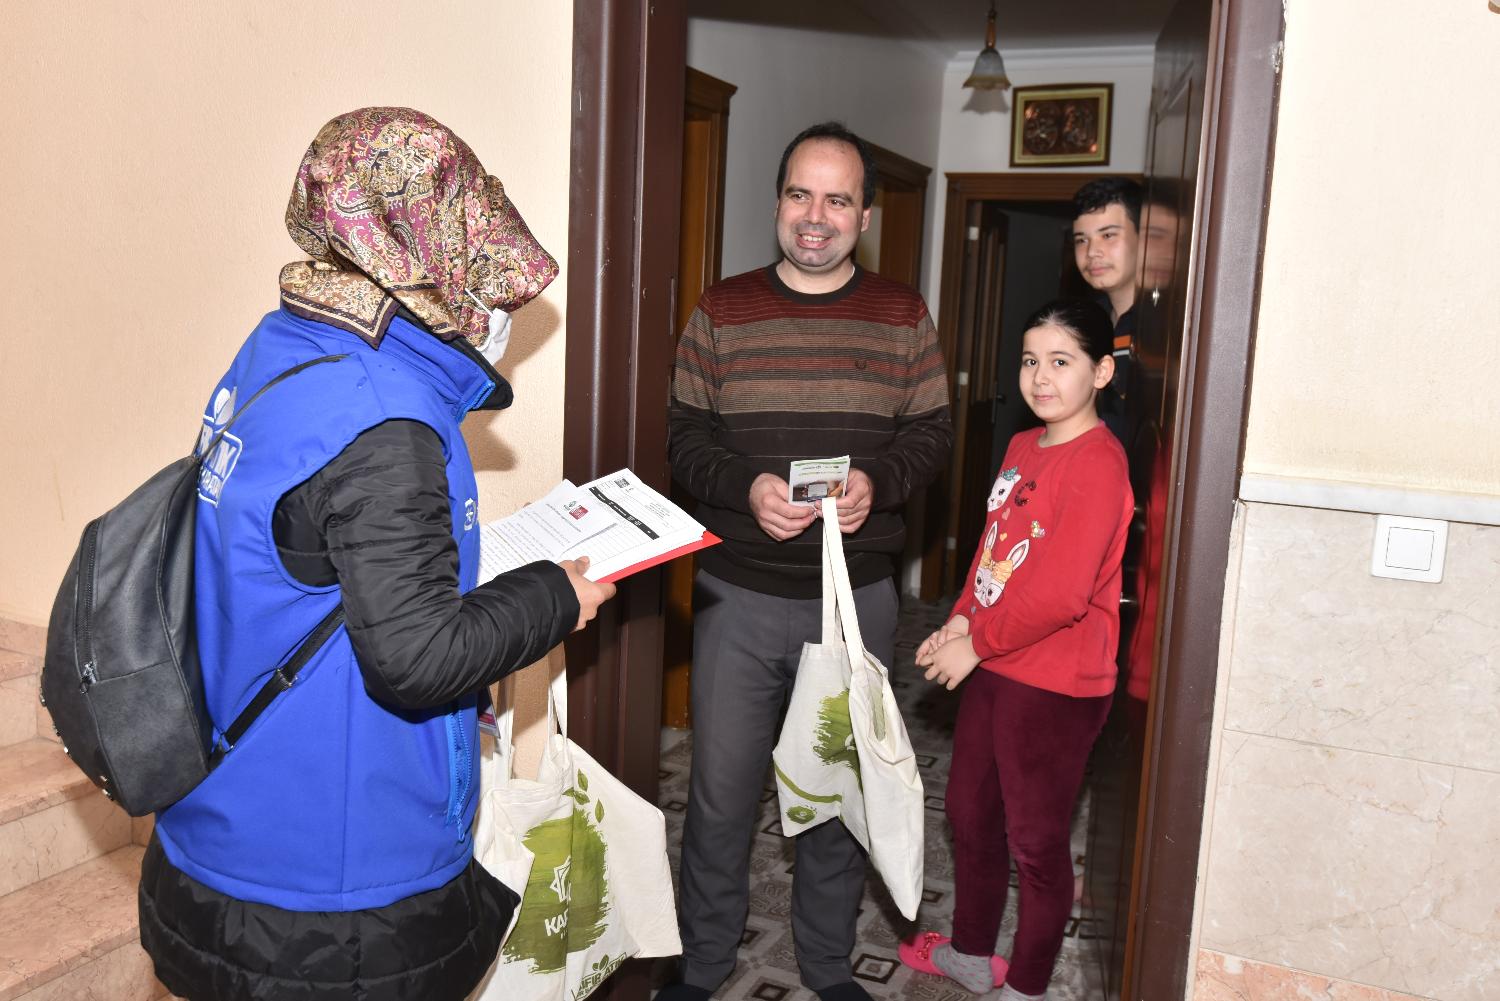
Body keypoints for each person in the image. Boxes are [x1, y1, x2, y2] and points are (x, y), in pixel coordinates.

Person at [136, 107, 616, 1001]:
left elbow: (304, 562)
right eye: (476, 269)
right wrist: (557, 594)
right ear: (422, 250)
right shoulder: (385, 417)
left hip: (224, 823)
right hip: (331, 890)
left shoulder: (281, 345)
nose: (492, 307)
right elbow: (416, 657)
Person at [663, 121, 952, 1001]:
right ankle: (704, 961)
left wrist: (879, 482)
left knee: (836, 795)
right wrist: (743, 485)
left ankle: (826, 966)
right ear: (778, 203)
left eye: (836, 199)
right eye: (799, 194)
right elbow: (685, 435)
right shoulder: (721, 309)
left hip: (854, 600)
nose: (815, 215)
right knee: (720, 795)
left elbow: (932, 432)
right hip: (737, 597)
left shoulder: (902, 315)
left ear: (864, 216)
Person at [899, 298, 1133, 1000]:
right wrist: (959, 620)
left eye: (1061, 361)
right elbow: (992, 552)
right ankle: (972, 953)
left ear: (1102, 371)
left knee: (1036, 843)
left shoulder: (1099, 463)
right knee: (970, 813)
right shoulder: (1024, 445)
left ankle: (1027, 986)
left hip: (1057, 682)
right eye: (1031, 360)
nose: (1040, 377)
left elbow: (1063, 594)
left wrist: (977, 643)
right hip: (998, 660)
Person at [1070, 177, 1143, 441]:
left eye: (1108, 235)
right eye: (1081, 240)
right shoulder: (1082, 325)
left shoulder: (1169, 330)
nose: (1092, 252)